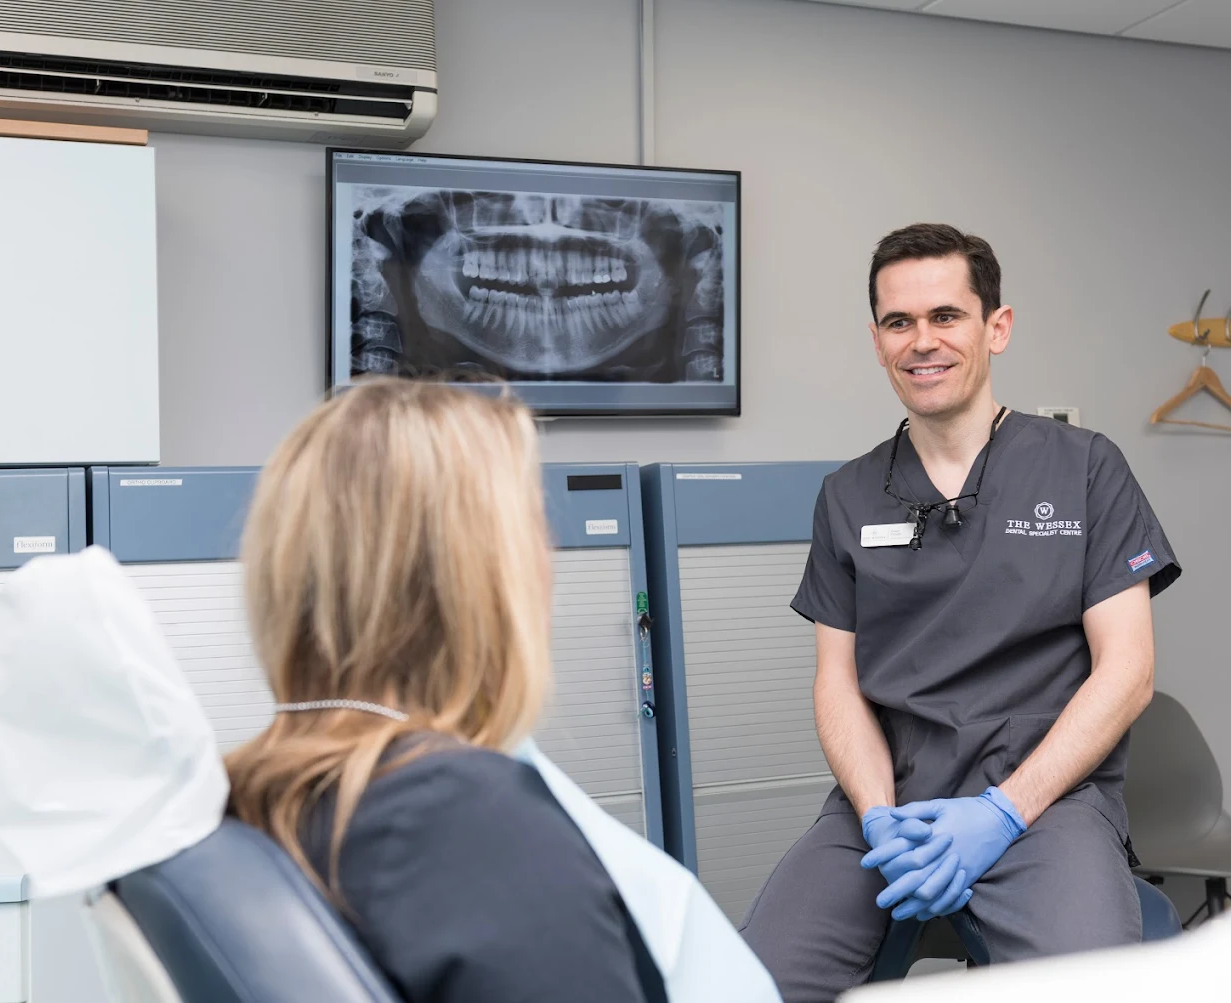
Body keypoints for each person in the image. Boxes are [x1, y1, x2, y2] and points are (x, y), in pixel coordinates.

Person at [739, 223, 1181, 1002]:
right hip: (889, 805)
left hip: (1044, 803)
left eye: (946, 315)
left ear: (995, 327)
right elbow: (837, 686)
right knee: (749, 984)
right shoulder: (847, 495)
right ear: (876, 340)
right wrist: (877, 817)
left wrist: (1003, 812)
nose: (922, 342)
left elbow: (1129, 670)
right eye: (898, 322)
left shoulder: (1085, 469)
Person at [222, 377, 664, 1003]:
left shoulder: (248, 795)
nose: (552, 555)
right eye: (532, 525)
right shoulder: (473, 826)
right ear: (472, 579)